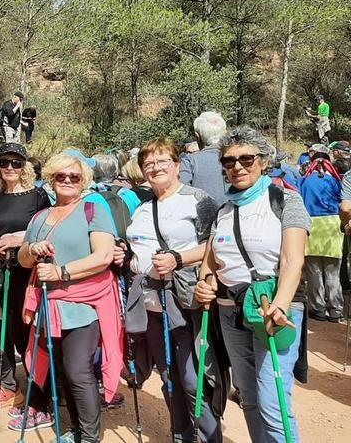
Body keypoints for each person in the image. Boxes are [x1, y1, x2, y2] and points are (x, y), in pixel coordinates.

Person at [195, 126, 309, 443]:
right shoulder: (223, 209)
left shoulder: (286, 200)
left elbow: (292, 260)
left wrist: (280, 304)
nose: (237, 166)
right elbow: (211, 260)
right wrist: (206, 283)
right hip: (231, 311)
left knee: (272, 401)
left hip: (273, 309)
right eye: (229, 161)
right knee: (249, 395)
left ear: (262, 161)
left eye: (246, 158)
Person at [114, 138, 223, 442]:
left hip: (185, 301)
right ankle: (181, 435)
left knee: (192, 378)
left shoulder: (197, 199)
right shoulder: (143, 208)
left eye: (163, 161)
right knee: (168, 376)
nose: (155, 168)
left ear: (177, 165)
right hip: (149, 304)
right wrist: (124, 256)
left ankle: (208, 437)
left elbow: (216, 245)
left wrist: (178, 259)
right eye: (148, 163)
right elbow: (137, 250)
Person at [17, 152, 122, 443]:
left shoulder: (93, 209)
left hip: (85, 304)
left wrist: (61, 272)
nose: (67, 181)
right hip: (50, 306)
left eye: (73, 176)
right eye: (60, 176)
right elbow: (23, 259)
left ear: (83, 180)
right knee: (63, 370)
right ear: (50, 179)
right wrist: (32, 249)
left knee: (78, 371)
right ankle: (75, 431)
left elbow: (102, 257)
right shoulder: (39, 217)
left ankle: (89, 437)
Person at [0, 143, 51, 424]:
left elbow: (48, 229)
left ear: (25, 167)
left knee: (28, 333)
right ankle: (9, 385)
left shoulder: (37, 197)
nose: (10, 168)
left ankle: (39, 393)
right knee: (1, 330)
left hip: (26, 275)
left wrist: (17, 239)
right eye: (4, 163)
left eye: (16, 163)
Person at [298, 151, 344, 322]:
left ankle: (318, 308)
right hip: (332, 226)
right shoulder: (335, 181)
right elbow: (343, 201)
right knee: (333, 272)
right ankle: (335, 310)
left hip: (311, 226)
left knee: (314, 271)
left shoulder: (304, 181)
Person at [181, 110, 229, 206]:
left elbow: (181, 195)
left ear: (197, 136)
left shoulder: (189, 161)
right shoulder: (242, 157)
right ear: (225, 133)